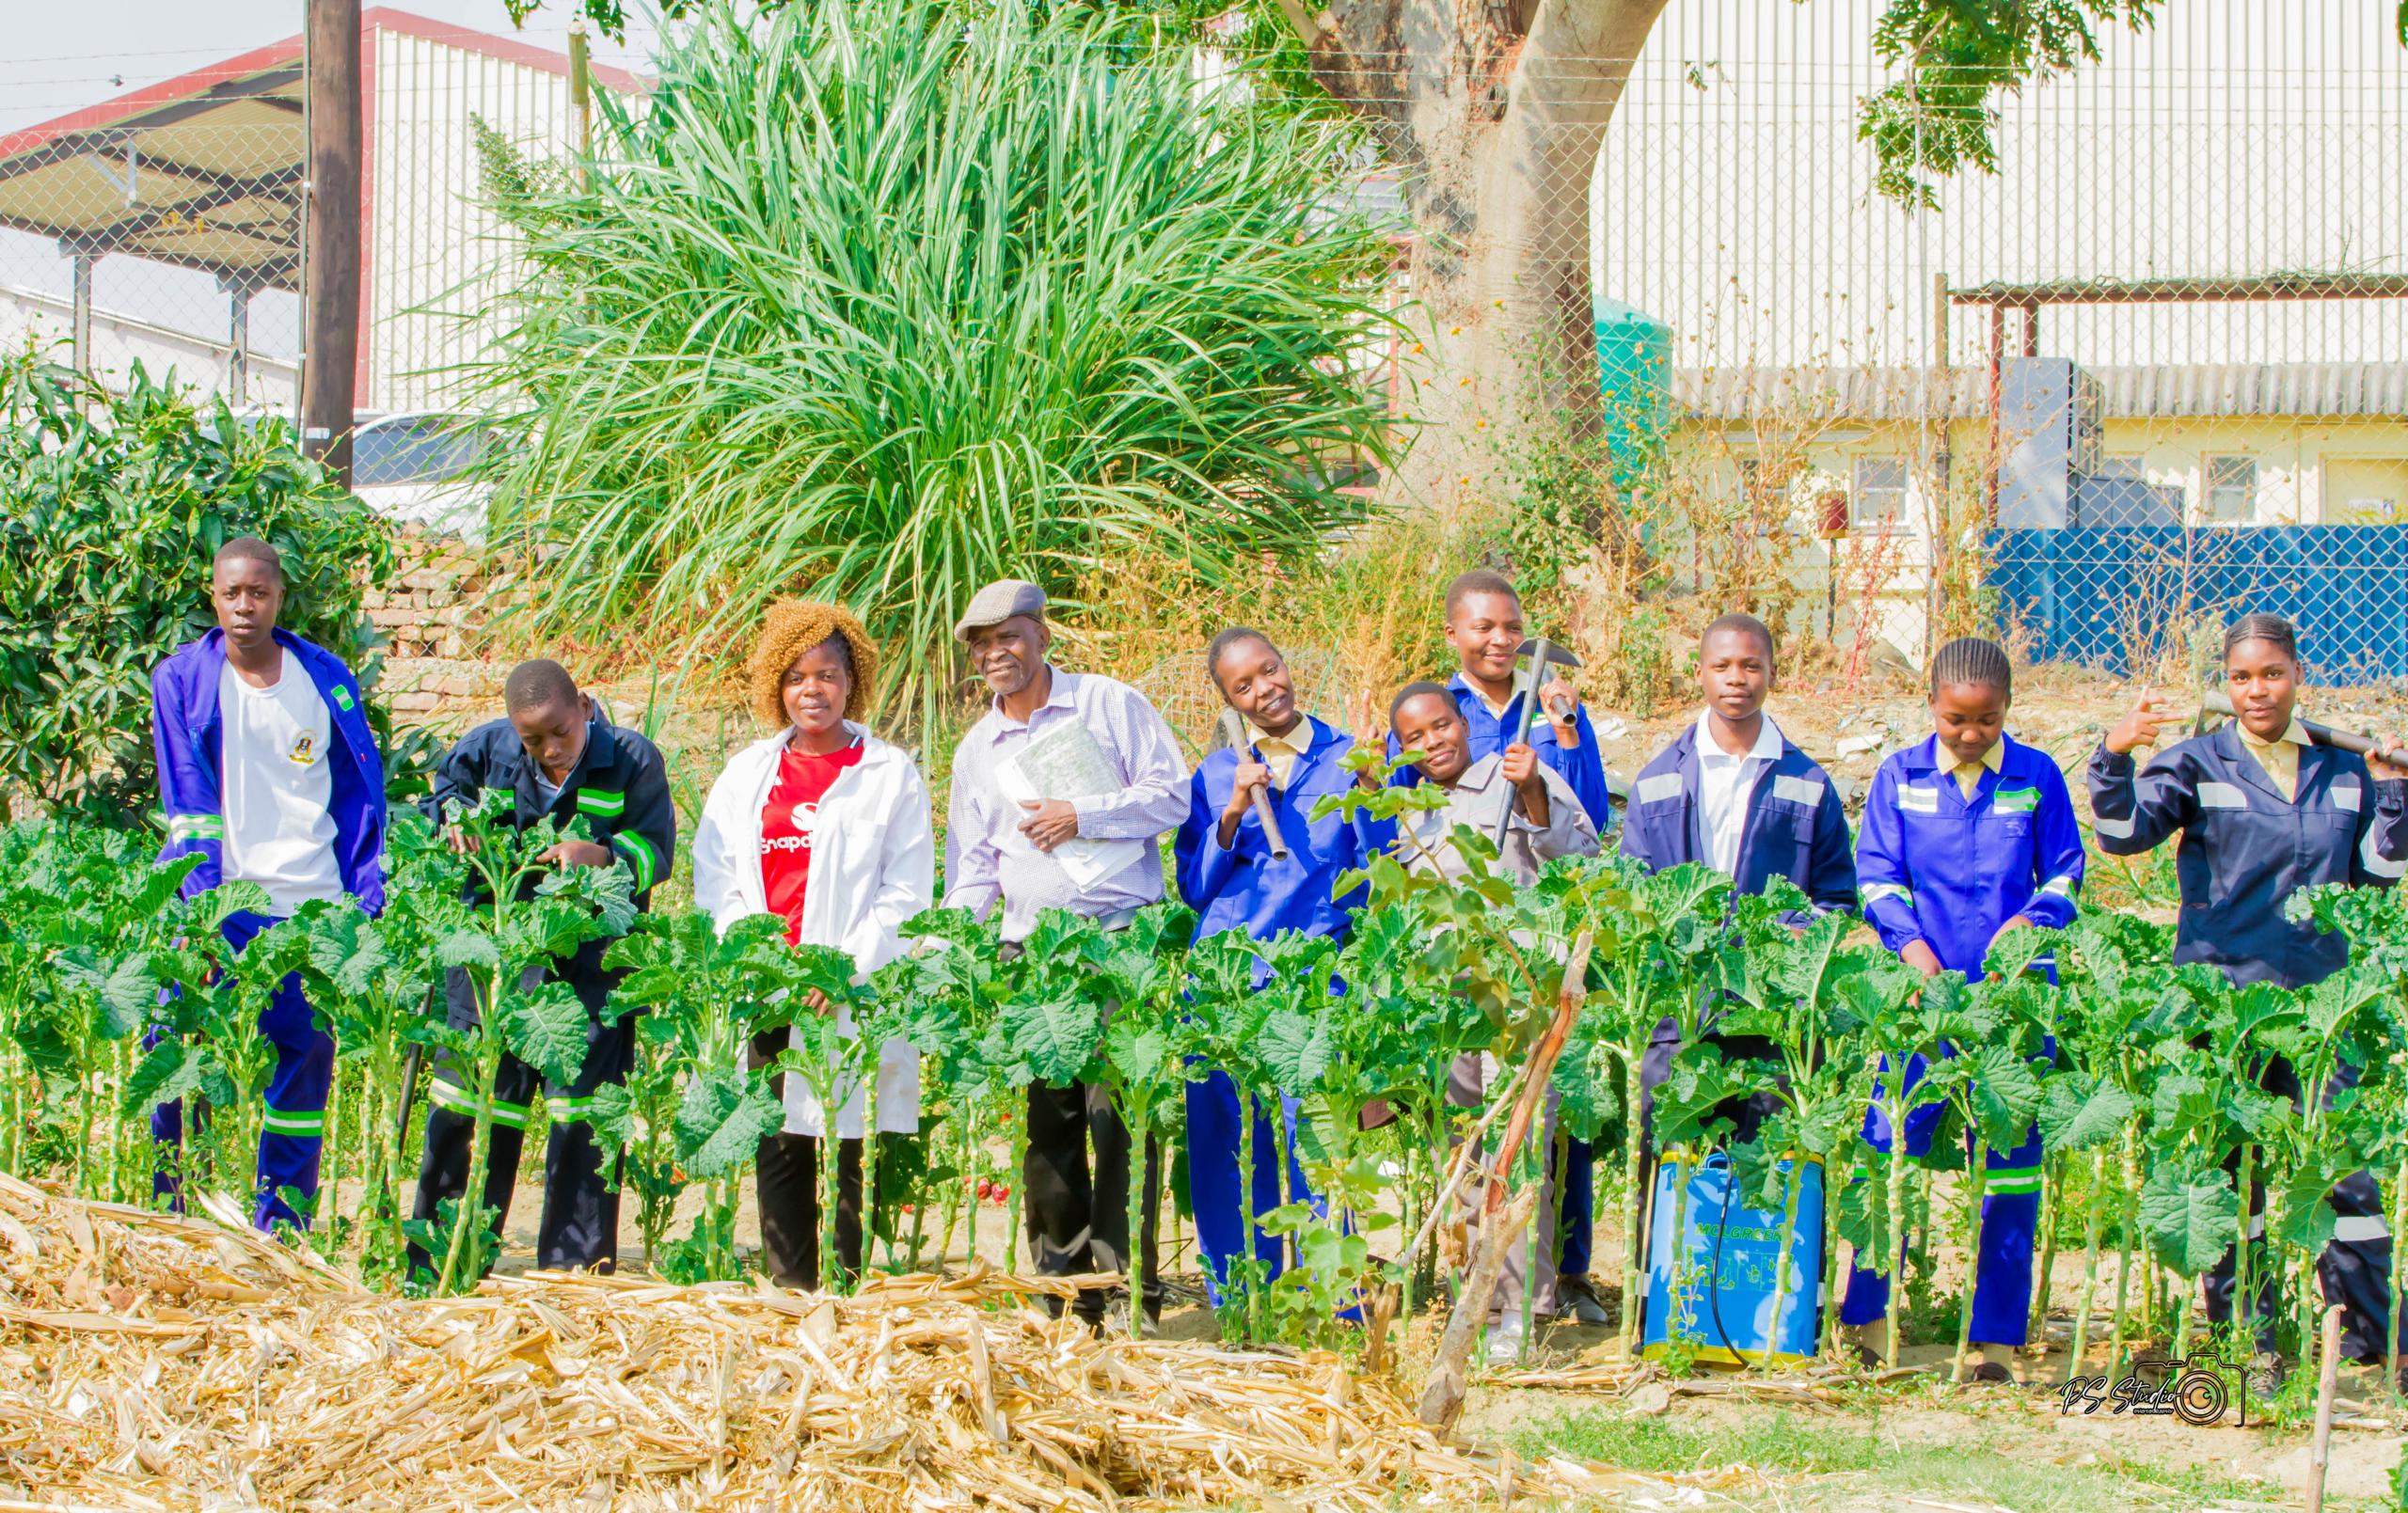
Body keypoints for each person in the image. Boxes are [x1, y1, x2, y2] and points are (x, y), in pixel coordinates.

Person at [2090, 613, 2408, 1384]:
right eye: (2241, 677)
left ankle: (2373, 1339)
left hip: (2322, 1009)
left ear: (2298, 675)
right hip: (2227, 1007)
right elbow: (2121, 834)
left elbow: (2380, 876)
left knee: (2344, 1174)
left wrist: (2396, 793)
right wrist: (2115, 753)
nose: (2257, 690)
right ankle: (2252, 1342)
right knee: (2237, 1181)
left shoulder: (2344, 769)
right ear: (2226, 685)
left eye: (2271, 674)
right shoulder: (2198, 763)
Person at [944, 579, 1188, 1328]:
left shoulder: (1108, 704)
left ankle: (1129, 1294)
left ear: (1042, 637)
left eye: (1009, 637)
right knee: (1048, 1125)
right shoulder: (977, 750)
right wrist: (942, 949)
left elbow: (1172, 796)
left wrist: (1082, 813)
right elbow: (974, 869)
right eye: (982, 645)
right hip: (1029, 952)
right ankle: (1062, 1291)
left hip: (1119, 940)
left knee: (1120, 1116)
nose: (995, 653)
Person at [1840, 637, 2084, 1381]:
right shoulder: (1900, 776)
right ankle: (1868, 1327)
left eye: (1987, 719)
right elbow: (1877, 876)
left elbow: (2065, 874)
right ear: (1930, 706)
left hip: (2014, 1004)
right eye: (1956, 720)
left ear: (2007, 709)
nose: (1971, 733)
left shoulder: (2037, 776)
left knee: (2011, 1166)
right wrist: (1910, 947)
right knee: (1889, 1153)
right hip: (1922, 1002)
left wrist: (2031, 924)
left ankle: (1996, 1345)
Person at [690, 602, 934, 1286]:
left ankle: (845, 1292)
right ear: (777, 686)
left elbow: (906, 892)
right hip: (769, 987)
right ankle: (791, 1291)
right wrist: (761, 960)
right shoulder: (748, 774)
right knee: (778, 1138)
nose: (812, 690)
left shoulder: (888, 773)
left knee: (848, 1140)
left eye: (827, 674)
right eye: (795, 677)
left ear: (853, 680)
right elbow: (717, 875)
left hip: (850, 989)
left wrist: (842, 969)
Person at [408, 659, 674, 1276]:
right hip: (493, 970)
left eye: (560, 731)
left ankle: (574, 1273)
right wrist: (453, 823)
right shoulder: (486, 750)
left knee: (582, 1119)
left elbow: (655, 850)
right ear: (513, 730)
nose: (550, 749)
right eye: (533, 740)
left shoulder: (632, 759)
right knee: (471, 1110)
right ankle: (445, 1262)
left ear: (584, 705)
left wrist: (599, 854)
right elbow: (441, 800)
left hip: (590, 973)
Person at [150, 536, 387, 1230]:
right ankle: (179, 1215)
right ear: (213, 597)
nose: (244, 606)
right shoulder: (183, 680)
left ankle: (279, 1228)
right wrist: (199, 907)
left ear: (280, 597)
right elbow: (187, 796)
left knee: (302, 1066)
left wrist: (363, 897)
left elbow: (358, 792)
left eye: (258, 592)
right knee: (178, 1054)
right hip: (219, 902)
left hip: (310, 907)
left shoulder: (324, 678)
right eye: (232, 593)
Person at [1404, 569, 1621, 1324]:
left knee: (1543, 1138)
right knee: (1471, 1138)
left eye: (1511, 627)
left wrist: (1560, 740)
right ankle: (1485, 1294)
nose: (1499, 640)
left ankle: (1550, 1284)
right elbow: (1402, 822)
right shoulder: (1434, 709)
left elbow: (1583, 818)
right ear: (1453, 636)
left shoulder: (1551, 705)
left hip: (1529, 960)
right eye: (1483, 628)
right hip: (1458, 975)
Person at [1174, 628, 1391, 1305]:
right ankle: (1243, 1302)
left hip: (1316, 978)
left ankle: (1337, 1307)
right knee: (1230, 1145)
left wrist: (1372, 787)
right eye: (1243, 685)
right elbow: (1194, 886)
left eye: (1269, 670)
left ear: (1286, 666)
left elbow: (1383, 870)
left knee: (1320, 1144)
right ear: (1228, 700)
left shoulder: (1348, 756)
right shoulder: (1217, 772)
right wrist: (1235, 809)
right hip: (1228, 979)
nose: (1265, 688)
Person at [1389, 680, 1599, 1360]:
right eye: (1414, 737)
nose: (1433, 742)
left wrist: (1533, 790)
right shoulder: (1408, 811)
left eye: (1442, 726)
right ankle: (1472, 1299)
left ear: (1464, 722)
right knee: (1461, 1151)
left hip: (1518, 993)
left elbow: (1580, 860)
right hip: (1449, 1004)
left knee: (1519, 1147)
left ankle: (1519, 1310)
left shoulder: (1514, 771)